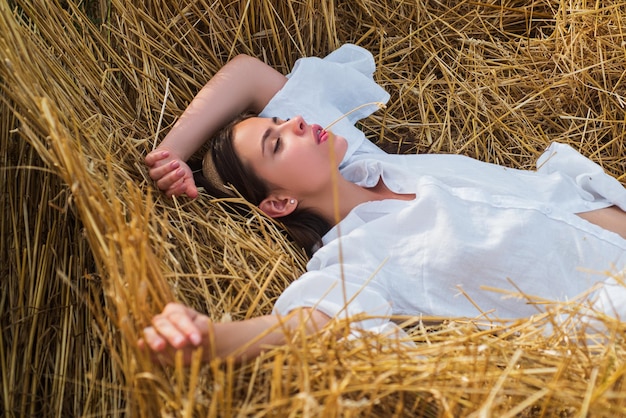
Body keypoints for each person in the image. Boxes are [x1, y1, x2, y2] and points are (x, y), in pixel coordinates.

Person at [142, 44, 626, 365]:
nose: (293, 124)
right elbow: (305, 323)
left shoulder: (365, 162)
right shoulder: (358, 258)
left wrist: (172, 155)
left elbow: (247, 75)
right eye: (276, 144)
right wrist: (209, 342)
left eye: (284, 120)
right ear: (280, 202)